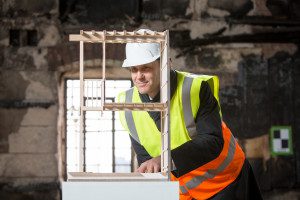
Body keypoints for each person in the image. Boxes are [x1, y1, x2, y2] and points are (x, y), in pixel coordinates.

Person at [117, 29, 263, 200]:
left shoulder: (195, 88)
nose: (138, 76)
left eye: (146, 68)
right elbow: (147, 160)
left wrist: (163, 159)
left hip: (225, 181)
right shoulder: (127, 104)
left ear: (166, 64)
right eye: (134, 69)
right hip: (184, 191)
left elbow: (212, 141)